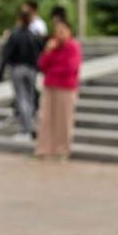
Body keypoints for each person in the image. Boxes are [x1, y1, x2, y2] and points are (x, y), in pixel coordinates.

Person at [35, 16, 82, 160]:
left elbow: (71, 67)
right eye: (57, 31)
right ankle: (44, 149)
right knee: (46, 119)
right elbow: (42, 65)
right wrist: (47, 51)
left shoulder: (73, 46)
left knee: (64, 120)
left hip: (65, 88)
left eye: (62, 30)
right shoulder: (52, 46)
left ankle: (62, 150)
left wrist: (53, 69)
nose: (59, 33)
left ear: (69, 32)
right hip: (50, 87)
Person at [0, 9, 43, 140]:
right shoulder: (33, 35)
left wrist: (0, 72)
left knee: (22, 99)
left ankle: (26, 129)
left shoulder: (15, 35)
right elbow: (41, 50)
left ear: (20, 20)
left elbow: (6, 53)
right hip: (31, 70)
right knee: (30, 98)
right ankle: (29, 126)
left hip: (18, 69)